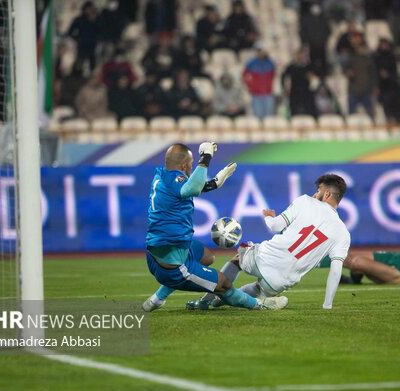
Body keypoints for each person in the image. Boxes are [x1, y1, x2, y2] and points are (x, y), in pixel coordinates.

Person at [142, 143, 287, 312]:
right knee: (224, 284)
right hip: (173, 267)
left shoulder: (162, 177)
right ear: (184, 166)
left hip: (156, 254)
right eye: (191, 165)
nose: (191, 170)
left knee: (207, 257)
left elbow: (185, 188)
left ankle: (158, 298)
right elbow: (191, 187)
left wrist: (213, 184)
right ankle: (260, 305)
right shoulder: (177, 178)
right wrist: (206, 157)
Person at [186, 174, 351, 310]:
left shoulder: (306, 201)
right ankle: (224, 300)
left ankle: (206, 300)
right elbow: (336, 271)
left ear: (327, 194)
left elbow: (275, 226)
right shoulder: (343, 233)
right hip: (283, 280)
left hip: (264, 257)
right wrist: (327, 305)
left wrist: (268, 217)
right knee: (258, 288)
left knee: (238, 259)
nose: (315, 194)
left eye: (319, 190)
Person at [242, 42, 275, 120]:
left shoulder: (270, 63)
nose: (260, 52)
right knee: (257, 116)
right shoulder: (251, 63)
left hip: (268, 93)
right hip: (256, 94)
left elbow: (273, 76)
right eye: (258, 50)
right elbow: (244, 76)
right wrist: (250, 86)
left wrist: (270, 86)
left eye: (262, 50)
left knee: (269, 117)